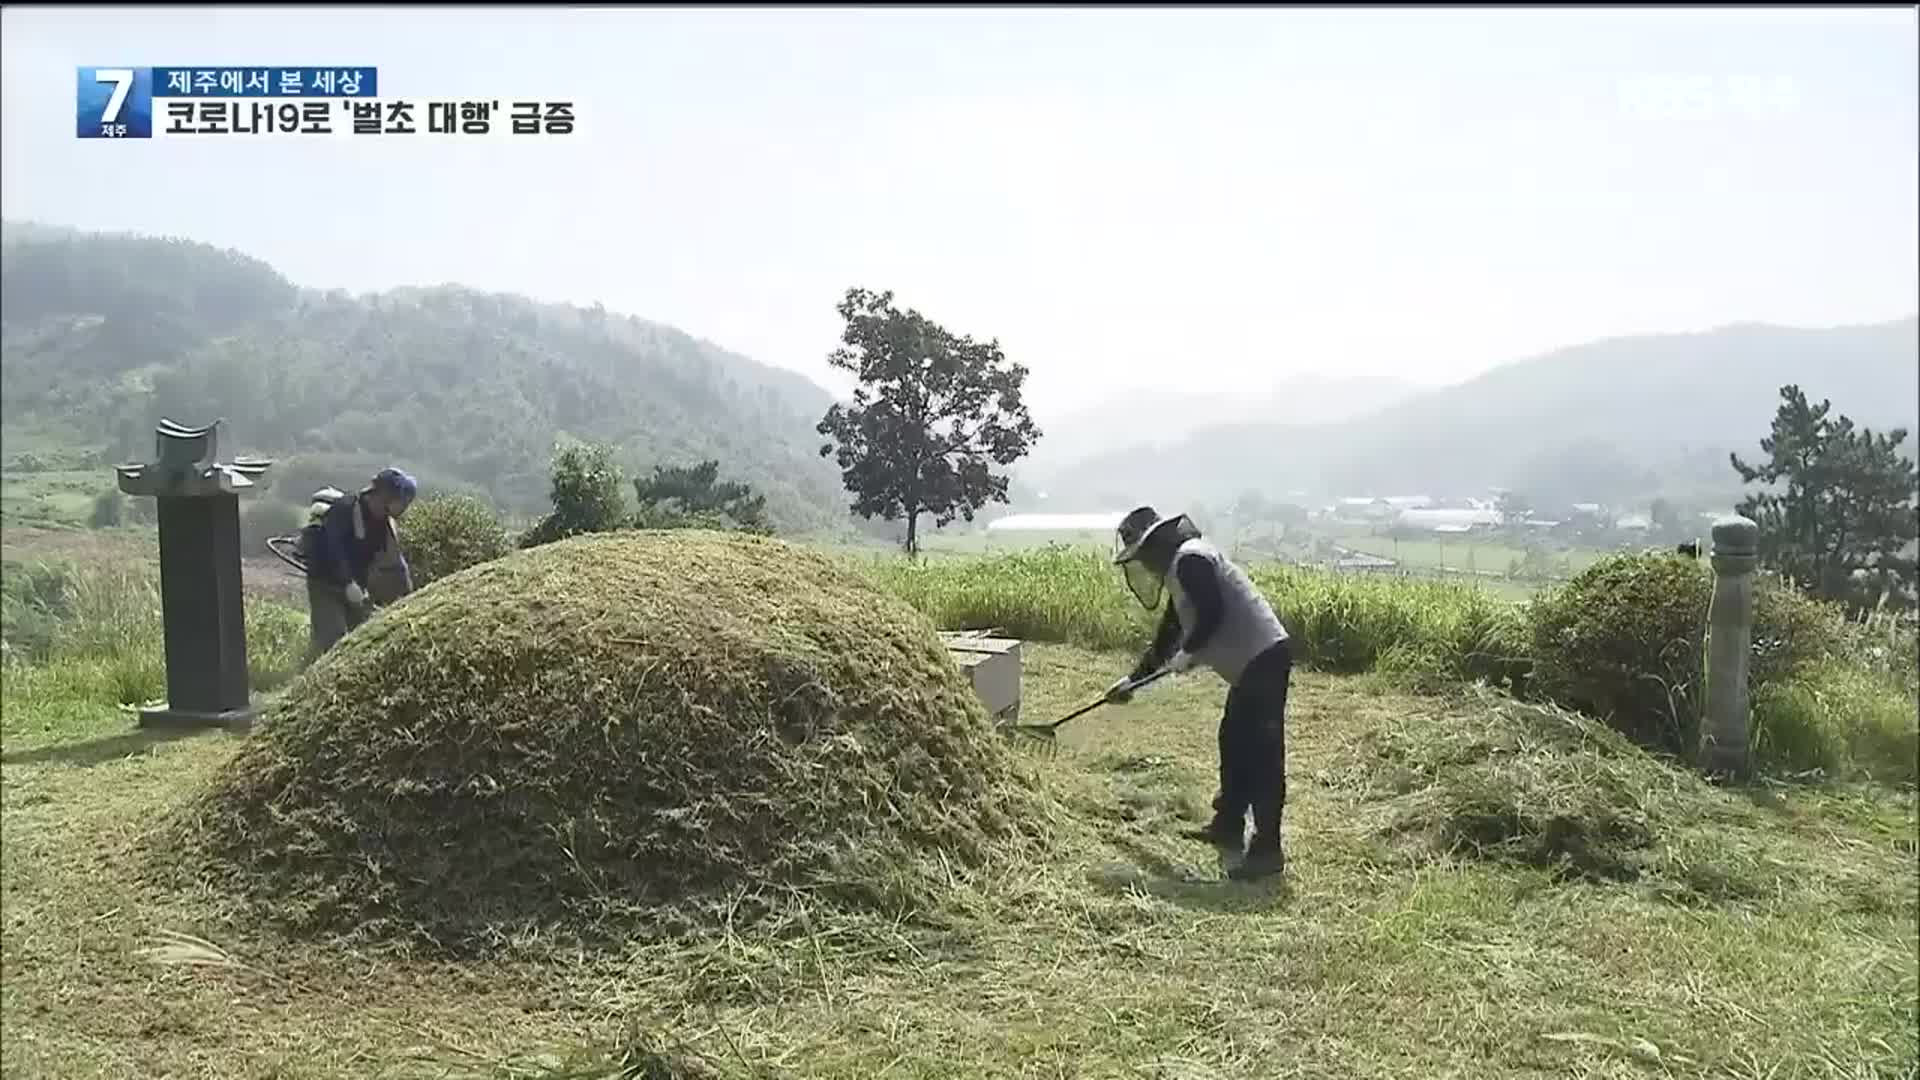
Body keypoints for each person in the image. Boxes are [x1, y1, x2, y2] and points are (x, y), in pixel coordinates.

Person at [1106, 505, 1294, 881]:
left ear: (1159, 542)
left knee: (1261, 754)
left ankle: (1267, 850)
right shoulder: (1181, 568)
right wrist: (1133, 679)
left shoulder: (1192, 560)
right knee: (1234, 739)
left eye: (1144, 554)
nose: (1145, 564)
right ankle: (1227, 824)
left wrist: (1190, 653)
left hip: (1264, 658)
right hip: (1250, 664)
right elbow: (1170, 631)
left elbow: (1212, 613)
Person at [301, 467, 417, 666]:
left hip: (356, 589)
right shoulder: (345, 509)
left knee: (363, 639)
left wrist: (406, 600)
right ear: (384, 495)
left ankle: (306, 668)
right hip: (326, 584)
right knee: (334, 640)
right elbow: (333, 548)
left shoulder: (382, 524)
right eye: (400, 501)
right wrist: (347, 582)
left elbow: (392, 564)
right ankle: (307, 682)